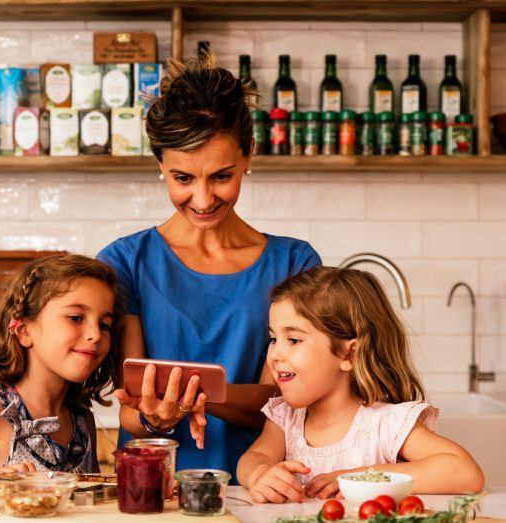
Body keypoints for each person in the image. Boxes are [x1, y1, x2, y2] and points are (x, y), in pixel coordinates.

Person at [97, 50, 321, 479]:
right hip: (153, 492)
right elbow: (129, 407)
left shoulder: (295, 263)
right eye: (183, 178)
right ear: (160, 163)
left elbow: (286, 402)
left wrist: (186, 395)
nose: (202, 200)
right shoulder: (124, 262)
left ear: (249, 155)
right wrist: (154, 417)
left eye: (221, 176)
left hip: (260, 487)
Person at [237, 266, 485, 503]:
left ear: (349, 355)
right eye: (273, 338)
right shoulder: (285, 418)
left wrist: (363, 477)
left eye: (293, 340)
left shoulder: (386, 423)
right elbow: (255, 458)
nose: (275, 355)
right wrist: (259, 475)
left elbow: (465, 473)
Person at [0, 254, 122, 474]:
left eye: (105, 325)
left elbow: (90, 504)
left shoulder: (82, 418)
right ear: (24, 331)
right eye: (76, 317)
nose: (95, 334)